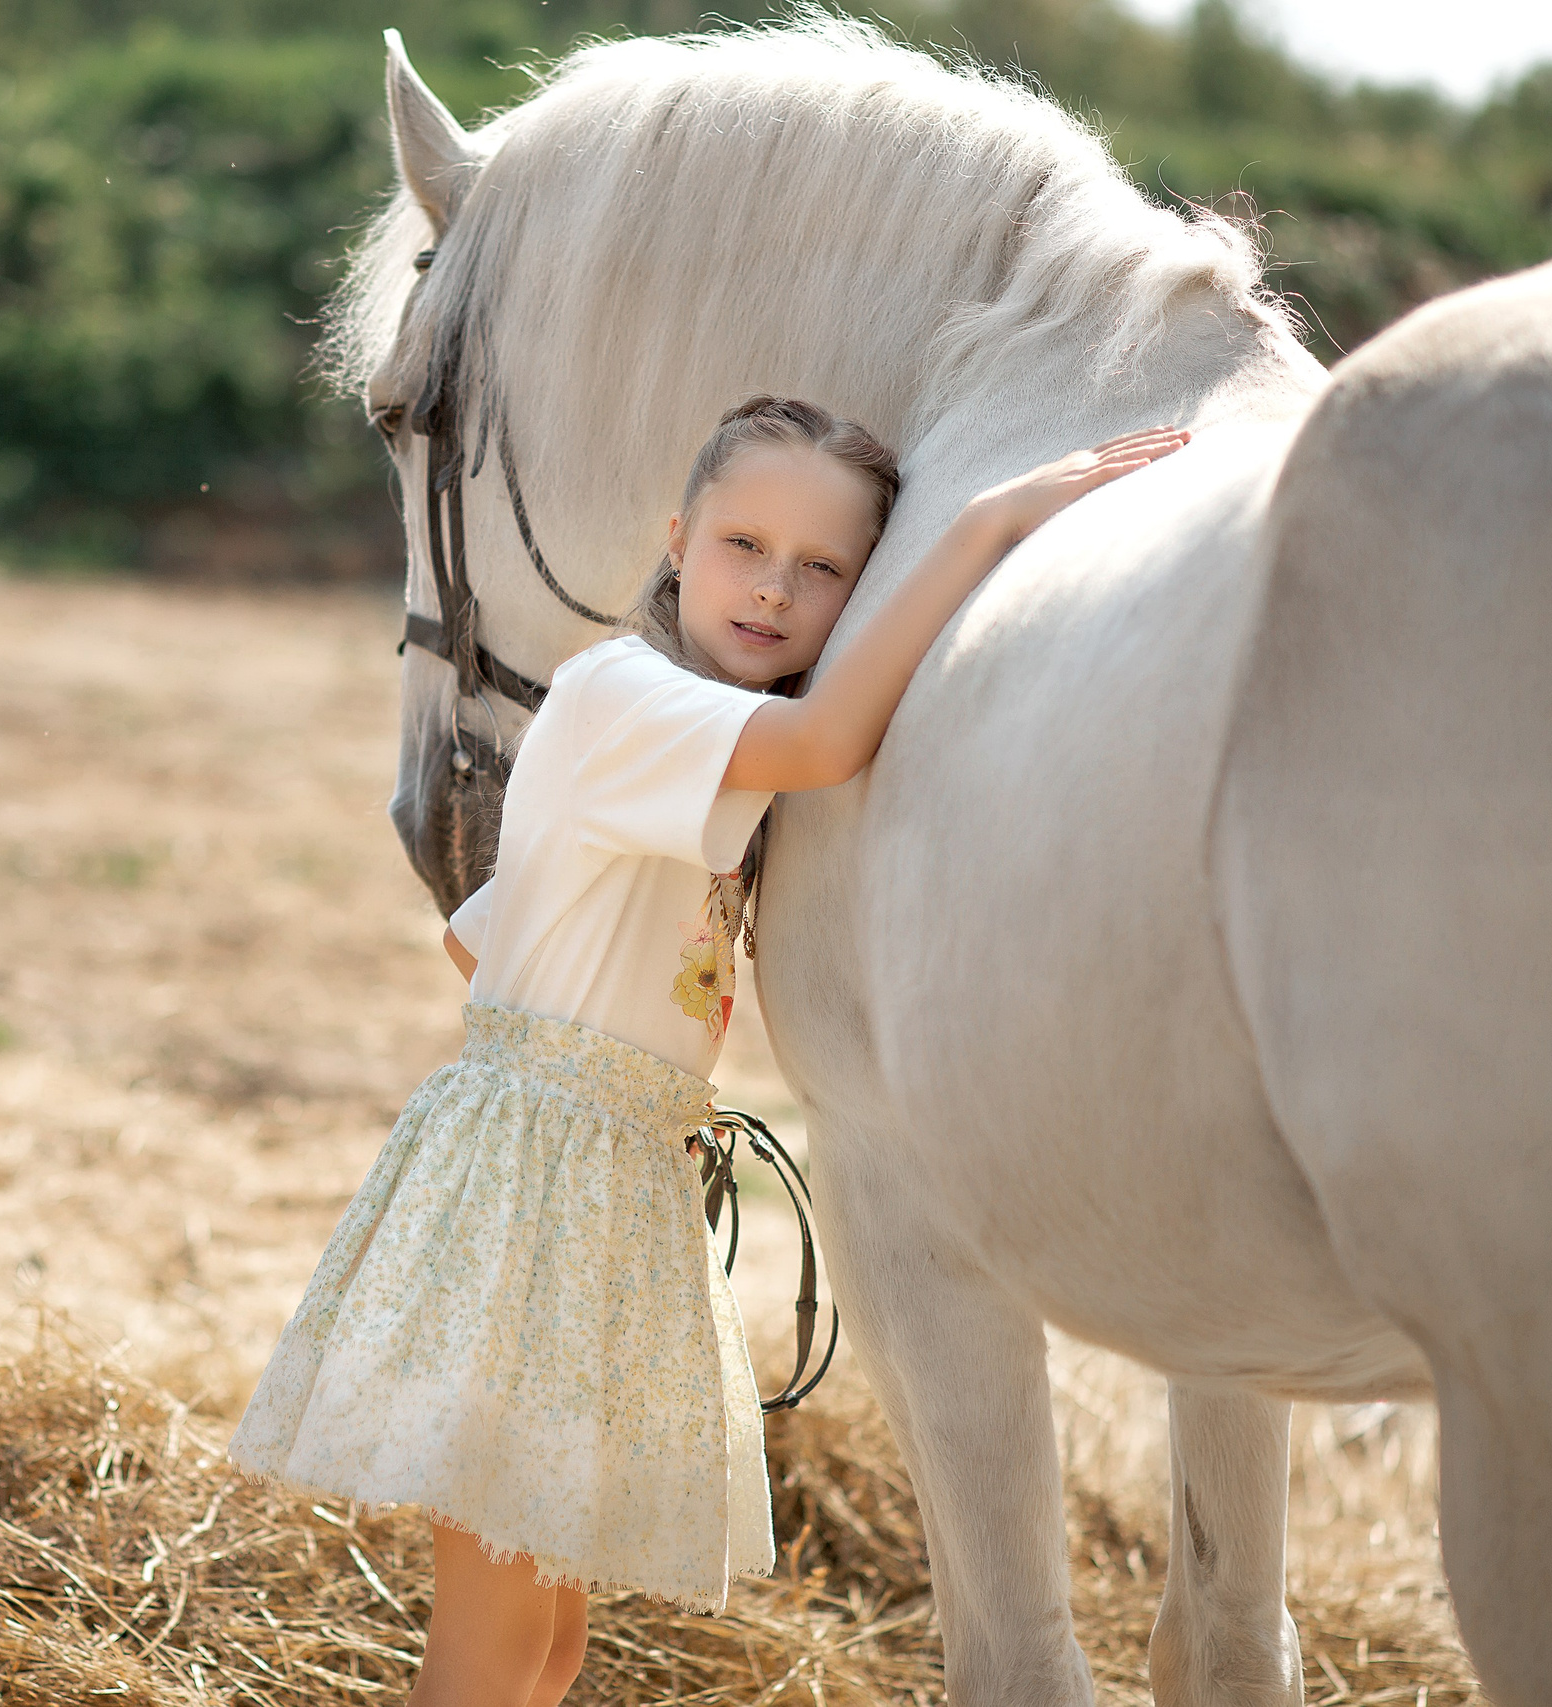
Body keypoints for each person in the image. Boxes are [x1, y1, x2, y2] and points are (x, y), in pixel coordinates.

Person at [230, 396, 1189, 1706]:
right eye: (745, 545)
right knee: (494, 1644)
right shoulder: (625, 694)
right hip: (541, 1183)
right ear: (678, 539)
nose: (775, 590)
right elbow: (824, 738)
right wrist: (987, 525)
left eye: (825, 569)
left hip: (610, 1165)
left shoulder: (665, 733)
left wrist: (612, 1036)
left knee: (551, 1643)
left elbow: (482, 938)